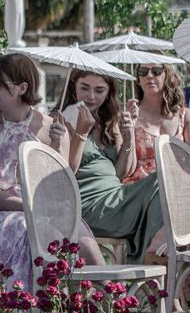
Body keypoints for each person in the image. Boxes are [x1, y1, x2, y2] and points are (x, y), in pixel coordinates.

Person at [0, 53, 105, 288]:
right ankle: (37, 304)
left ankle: (110, 302)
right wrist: (28, 205)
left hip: (49, 209)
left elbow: (60, 185)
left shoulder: (51, 127)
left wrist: (58, 145)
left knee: (87, 246)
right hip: (4, 213)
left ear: (22, 88)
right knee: (32, 234)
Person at [60, 70, 166, 263]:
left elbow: (122, 172)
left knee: (166, 178)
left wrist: (129, 135)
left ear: (109, 92)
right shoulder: (63, 118)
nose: (91, 96)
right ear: (73, 86)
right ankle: (153, 255)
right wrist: (81, 134)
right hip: (88, 205)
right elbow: (65, 172)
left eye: (99, 90)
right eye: (85, 88)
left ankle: (156, 249)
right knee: (161, 182)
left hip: (117, 197)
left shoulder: (108, 120)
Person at [123, 63, 190, 183]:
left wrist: (183, 175)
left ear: (168, 75)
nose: (149, 75)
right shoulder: (129, 115)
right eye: (143, 71)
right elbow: (124, 168)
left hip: (179, 180)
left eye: (156, 71)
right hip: (141, 184)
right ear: (139, 79)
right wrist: (129, 129)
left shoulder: (186, 116)